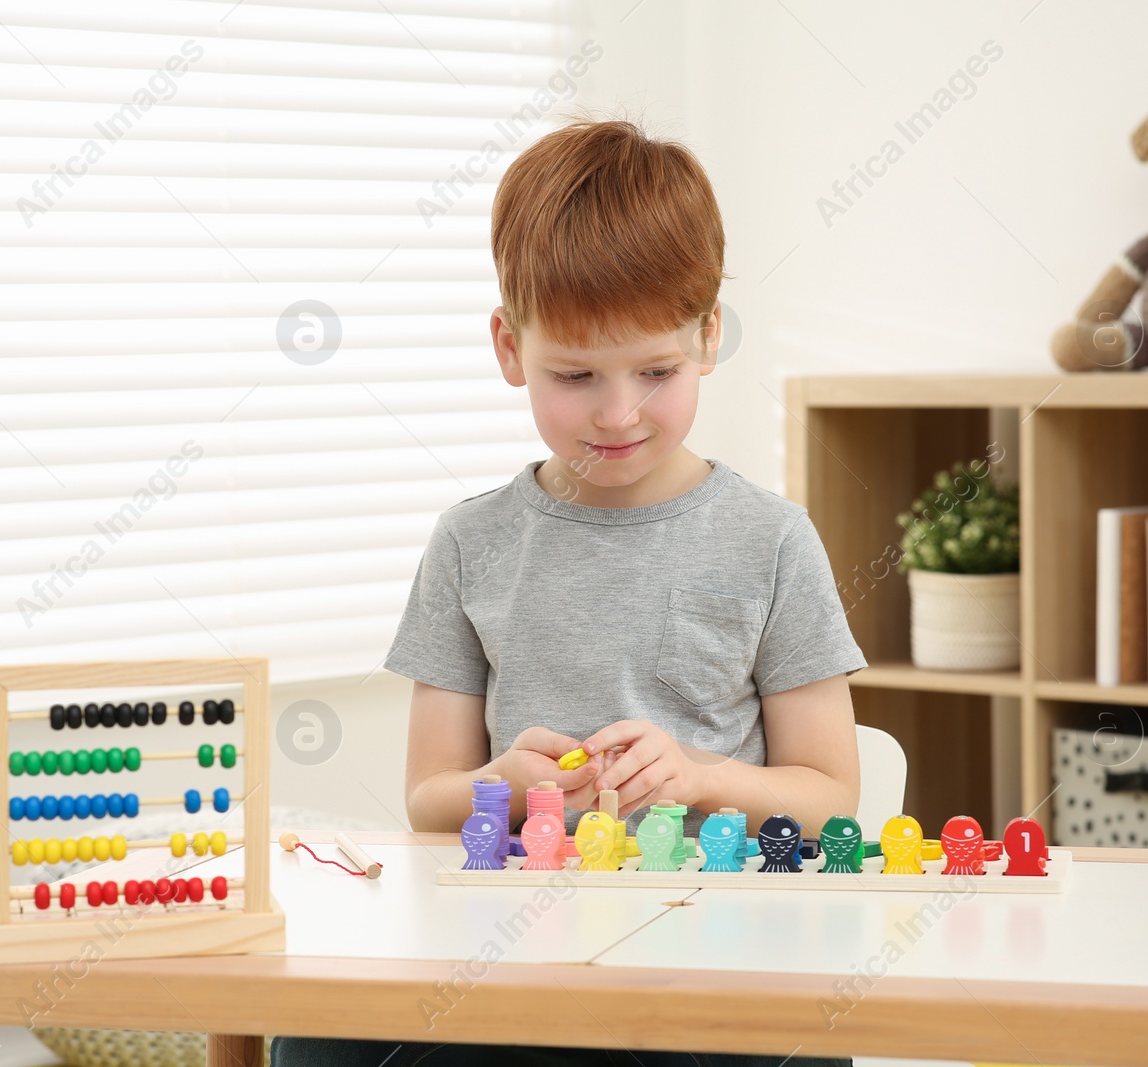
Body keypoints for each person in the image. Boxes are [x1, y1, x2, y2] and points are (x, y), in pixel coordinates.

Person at [272, 114, 865, 1067]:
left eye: (658, 370)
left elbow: (834, 800)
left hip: (712, 952)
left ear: (710, 337)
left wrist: (702, 777)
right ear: (510, 348)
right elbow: (430, 797)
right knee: (318, 1037)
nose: (620, 411)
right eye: (576, 373)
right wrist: (501, 786)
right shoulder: (472, 542)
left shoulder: (772, 541)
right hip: (511, 957)